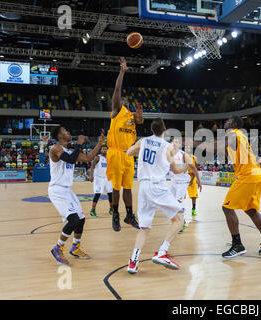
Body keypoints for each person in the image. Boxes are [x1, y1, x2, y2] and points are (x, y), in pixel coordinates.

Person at [125, 118, 189, 273]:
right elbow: (175, 171)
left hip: (143, 187)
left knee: (144, 227)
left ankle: (133, 261)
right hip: (158, 186)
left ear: (152, 129)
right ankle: (162, 252)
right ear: (164, 129)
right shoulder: (168, 147)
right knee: (179, 220)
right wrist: (188, 166)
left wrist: (144, 149)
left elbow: (129, 152)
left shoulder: (143, 141)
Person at [215, 115, 261, 258]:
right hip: (255, 174)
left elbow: (214, 146)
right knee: (250, 210)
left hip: (248, 175)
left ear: (235, 124)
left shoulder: (234, 133)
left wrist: (191, 143)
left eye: (228, 120)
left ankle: (237, 245)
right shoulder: (239, 136)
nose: (225, 121)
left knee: (227, 208)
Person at [49, 127, 104, 265]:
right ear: (60, 135)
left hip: (67, 190)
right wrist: (79, 144)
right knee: (73, 220)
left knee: (81, 219)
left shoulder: (69, 151)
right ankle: (58, 248)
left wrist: (99, 144)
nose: (68, 132)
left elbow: (88, 158)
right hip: (57, 190)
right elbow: (69, 160)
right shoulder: (55, 148)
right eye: (65, 131)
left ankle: (75, 247)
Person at [106, 57, 144, 232]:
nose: (125, 100)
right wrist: (122, 71)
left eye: (126, 101)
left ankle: (129, 215)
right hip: (115, 153)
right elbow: (117, 89)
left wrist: (139, 111)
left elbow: (141, 121)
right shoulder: (116, 111)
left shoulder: (130, 116)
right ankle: (115, 215)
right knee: (116, 188)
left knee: (128, 187)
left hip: (128, 154)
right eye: (123, 100)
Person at [170, 138, 202, 233]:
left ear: (180, 145)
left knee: (178, 201)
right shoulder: (169, 154)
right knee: (172, 202)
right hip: (174, 180)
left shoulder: (184, 155)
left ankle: (183, 222)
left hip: (183, 181)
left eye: (177, 142)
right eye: (173, 142)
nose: (175, 143)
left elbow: (194, 168)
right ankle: (178, 220)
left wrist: (199, 181)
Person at [89, 145, 113, 218]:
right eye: (103, 149)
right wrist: (91, 175)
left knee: (110, 194)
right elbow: (92, 167)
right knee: (98, 194)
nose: (104, 150)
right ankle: (92, 210)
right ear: (101, 150)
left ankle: (111, 209)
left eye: (106, 149)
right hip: (98, 178)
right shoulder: (98, 157)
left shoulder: (109, 158)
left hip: (107, 178)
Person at [185, 144, 199, 217]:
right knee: (181, 195)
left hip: (192, 177)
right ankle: (180, 209)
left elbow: (196, 169)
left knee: (194, 195)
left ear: (190, 149)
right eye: (186, 147)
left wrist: (192, 179)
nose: (187, 149)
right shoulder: (182, 157)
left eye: (188, 148)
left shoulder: (194, 158)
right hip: (184, 177)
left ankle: (194, 208)